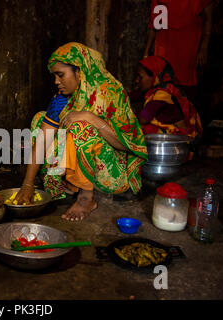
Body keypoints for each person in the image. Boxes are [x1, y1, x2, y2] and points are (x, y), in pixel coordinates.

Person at [14, 42, 148, 222]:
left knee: (80, 126)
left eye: (60, 75)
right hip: (83, 161)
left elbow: (125, 145)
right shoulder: (62, 99)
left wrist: (91, 118)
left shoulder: (111, 93)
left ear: (80, 71)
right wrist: (27, 184)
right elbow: (43, 138)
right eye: (54, 76)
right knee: (40, 119)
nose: (56, 81)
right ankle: (62, 185)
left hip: (112, 172)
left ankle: (86, 198)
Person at [143, 0, 216, 104]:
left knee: (184, 89)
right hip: (163, 48)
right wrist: (147, 50)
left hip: (187, 48)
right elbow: (154, 24)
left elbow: (208, 19)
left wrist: (204, 47)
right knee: (161, 88)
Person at [135, 55, 203, 139]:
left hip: (180, 140)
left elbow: (143, 119)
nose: (136, 80)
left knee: (139, 130)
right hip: (175, 136)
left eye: (140, 77)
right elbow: (133, 95)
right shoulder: (159, 89)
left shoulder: (162, 94)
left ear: (154, 76)